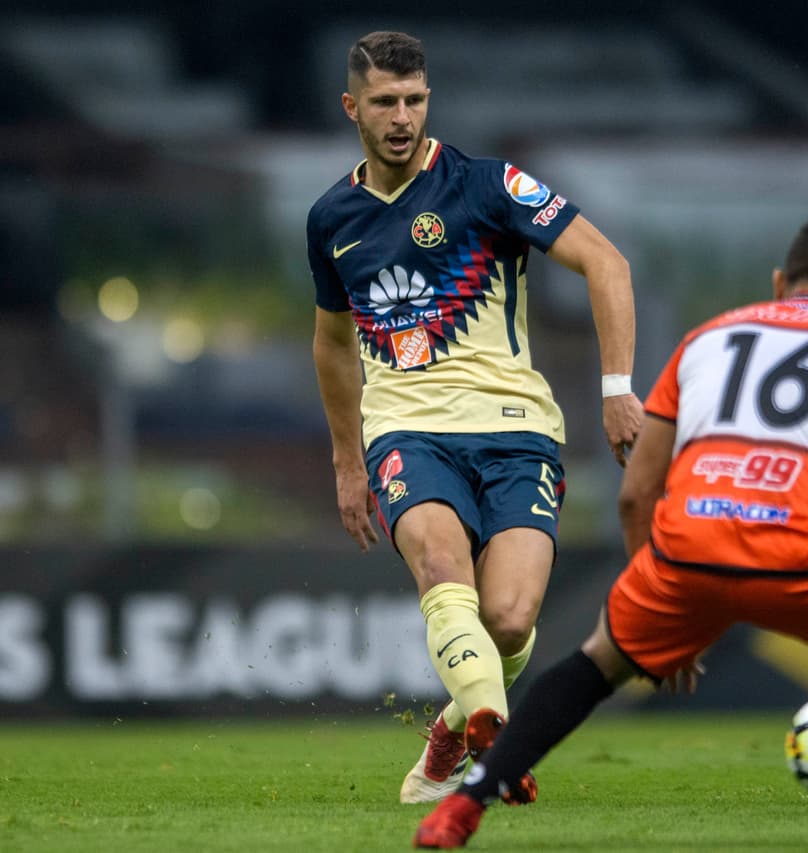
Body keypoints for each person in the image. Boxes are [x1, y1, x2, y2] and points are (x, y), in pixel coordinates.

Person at [413, 216, 808, 847]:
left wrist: (661, 608)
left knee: (597, 661)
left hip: (686, 553)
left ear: (780, 282)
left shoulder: (706, 338)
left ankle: (461, 808)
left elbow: (635, 494)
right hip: (807, 560)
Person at [307, 31, 645, 806]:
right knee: (441, 569)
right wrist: (348, 459)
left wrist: (618, 388)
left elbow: (607, 263)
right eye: (386, 102)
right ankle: (497, 738)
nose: (402, 117)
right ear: (352, 107)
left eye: (415, 100)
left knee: (511, 618)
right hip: (407, 428)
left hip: (516, 426)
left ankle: (455, 731)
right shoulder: (331, 218)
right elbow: (330, 344)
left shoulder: (488, 185)